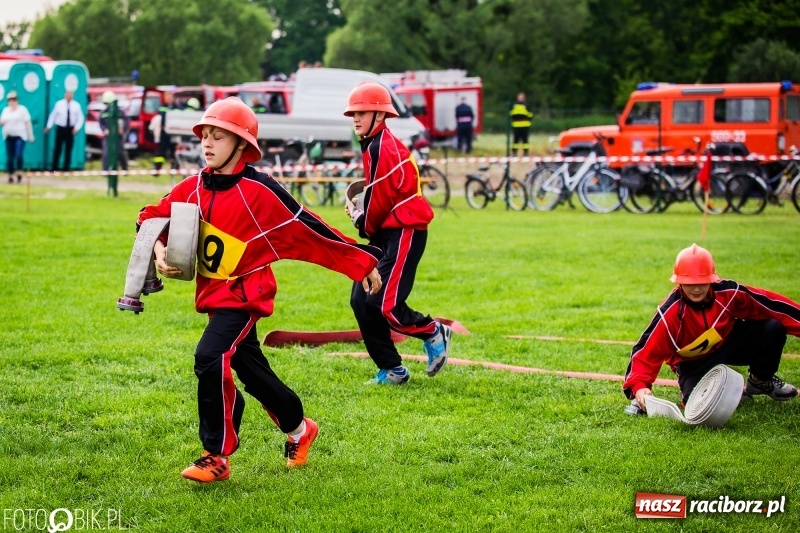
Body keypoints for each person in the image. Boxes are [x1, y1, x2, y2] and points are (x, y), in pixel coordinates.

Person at [135, 97, 382, 483]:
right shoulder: (193, 186)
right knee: (252, 372)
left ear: (241, 144)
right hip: (214, 299)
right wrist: (159, 247)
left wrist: (361, 261)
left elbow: (311, 231)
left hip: (245, 297)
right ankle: (301, 429)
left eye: (219, 136)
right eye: (205, 135)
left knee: (210, 355)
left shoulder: (261, 190)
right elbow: (149, 217)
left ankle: (215, 456)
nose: (208, 143)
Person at [343, 81, 452, 385]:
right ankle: (393, 369)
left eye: (362, 113)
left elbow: (379, 200)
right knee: (360, 299)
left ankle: (432, 331)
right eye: (353, 113)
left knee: (384, 304)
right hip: (388, 231)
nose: (355, 118)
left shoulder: (382, 146)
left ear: (380, 116)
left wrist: (361, 220)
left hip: (405, 231)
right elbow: (380, 194)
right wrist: (363, 212)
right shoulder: (373, 144)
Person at [623, 243, 800, 412]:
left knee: (772, 328)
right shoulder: (669, 313)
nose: (696, 289)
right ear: (678, 282)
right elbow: (645, 351)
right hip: (692, 363)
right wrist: (639, 387)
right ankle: (729, 392)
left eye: (702, 282)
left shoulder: (729, 293)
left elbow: (774, 306)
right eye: (690, 283)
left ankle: (760, 380)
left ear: (712, 280)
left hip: (729, 344)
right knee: (698, 403)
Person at [44, 90, 85, 172]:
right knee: (58, 148)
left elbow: (81, 118)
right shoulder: (59, 104)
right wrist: (49, 126)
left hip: (70, 129)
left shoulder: (76, 105)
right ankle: (54, 168)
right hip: (61, 128)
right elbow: (53, 116)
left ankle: (66, 168)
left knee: (68, 149)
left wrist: (76, 128)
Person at [99, 90, 130, 196]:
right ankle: (105, 171)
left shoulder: (120, 112)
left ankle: (125, 168)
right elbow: (101, 123)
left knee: (121, 153)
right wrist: (104, 130)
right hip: (108, 138)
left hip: (118, 137)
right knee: (106, 154)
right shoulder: (103, 113)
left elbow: (126, 121)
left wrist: (123, 129)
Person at [0, 91, 34, 183]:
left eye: (14, 100)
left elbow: (28, 122)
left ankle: (19, 171)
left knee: (18, 154)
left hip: (20, 136)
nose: (12, 102)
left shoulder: (22, 110)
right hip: (9, 136)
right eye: (10, 100)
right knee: (10, 157)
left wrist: (31, 135)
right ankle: (10, 175)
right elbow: (2, 121)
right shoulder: (6, 111)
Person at [152, 91, 177, 173]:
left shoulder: (177, 107)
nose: (168, 99)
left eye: (170, 97)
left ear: (173, 98)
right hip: (164, 133)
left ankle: (175, 168)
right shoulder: (162, 107)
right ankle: (157, 169)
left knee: (174, 152)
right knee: (160, 152)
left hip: (173, 133)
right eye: (167, 97)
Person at [509, 92, 533, 157]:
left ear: (524, 98)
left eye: (522, 97)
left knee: (525, 141)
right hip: (516, 126)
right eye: (520, 97)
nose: (521, 98)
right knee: (515, 141)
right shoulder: (514, 105)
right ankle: (514, 153)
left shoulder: (527, 105)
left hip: (525, 126)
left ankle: (526, 153)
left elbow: (531, 115)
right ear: (517, 98)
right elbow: (510, 114)